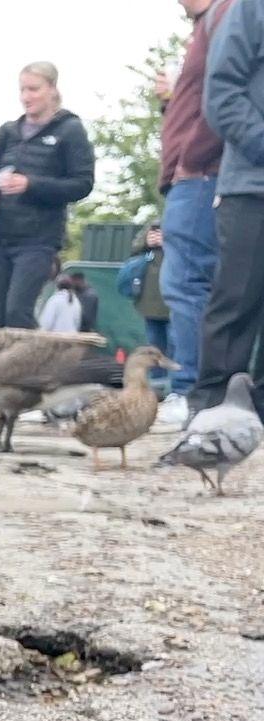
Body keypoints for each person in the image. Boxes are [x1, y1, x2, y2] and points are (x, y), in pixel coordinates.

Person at [158, 0, 238, 422]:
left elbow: (223, 92)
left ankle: (189, 390)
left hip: (199, 175)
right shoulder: (208, 24)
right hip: (195, 174)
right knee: (200, 283)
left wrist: (192, 156)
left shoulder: (222, 17)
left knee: (188, 282)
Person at [0, 62, 97, 329]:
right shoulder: (7, 132)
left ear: (52, 89)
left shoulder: (70, 130)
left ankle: (29, 368)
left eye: (33, 89)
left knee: (17, 312)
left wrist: (31, 184)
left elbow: (83, 184)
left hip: (38, 240)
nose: (26, 97)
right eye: (22, 90)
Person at [193, 0, 264, 415]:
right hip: (253, 189)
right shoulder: (251, 8)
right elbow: (220, 93)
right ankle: (211, 414)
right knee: (235, 305)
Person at [131, 222, 172, 356]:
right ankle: (155, 376)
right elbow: (134, 250)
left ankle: (176, 376)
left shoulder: (178, 225)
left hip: (173, 303)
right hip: (150, 302)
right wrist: (147, 242)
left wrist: (167, 242)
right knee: (154, 347)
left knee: (175, 346)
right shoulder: (150, 226)